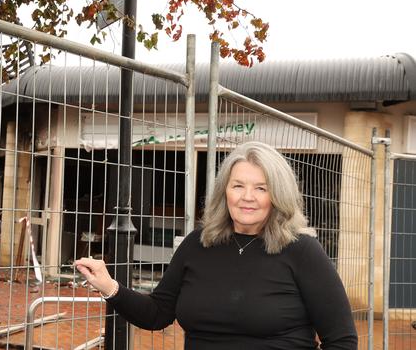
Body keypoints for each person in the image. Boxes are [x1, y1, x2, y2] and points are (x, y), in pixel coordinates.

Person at [75, 141, 357, 349]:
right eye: (238, 186)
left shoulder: (302, 251)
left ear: (278, 195)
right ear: (225, 191)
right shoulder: (197, 245)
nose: (248, 197)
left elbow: (342, 341)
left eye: (261, 188)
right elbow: (158, 313)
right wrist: (110, 287)